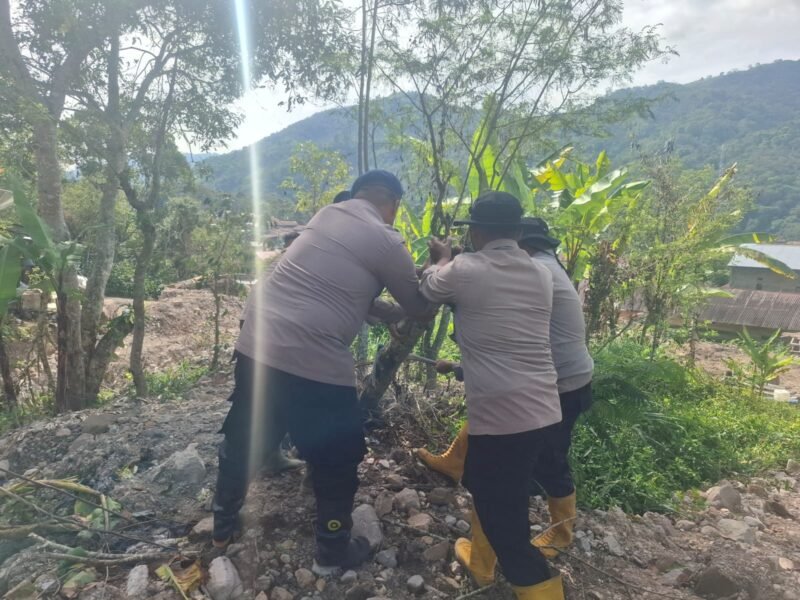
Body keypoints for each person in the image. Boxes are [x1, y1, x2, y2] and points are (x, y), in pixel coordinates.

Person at [213, 170, 433, 574]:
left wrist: (389, 311)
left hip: (257, 336)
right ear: (393, 203)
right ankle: (331, 551)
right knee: (338, 454)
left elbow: (355, 298)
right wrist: (440, 268)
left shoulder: (326, 217)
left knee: (247, 426)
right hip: (313, 352)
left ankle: (221, 528)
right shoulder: (386, 239)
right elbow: (420, 306)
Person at [419, 216, 593, 559]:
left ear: (522, 245)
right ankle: (455, 463)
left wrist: (444, 264)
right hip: (558, 377)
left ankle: (558, 534)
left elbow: (508, 344)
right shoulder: (541, 269)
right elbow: (511, 342)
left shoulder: (533, 272)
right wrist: (461, 367)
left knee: (547, 461)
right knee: (498, 423)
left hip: (559, 383)